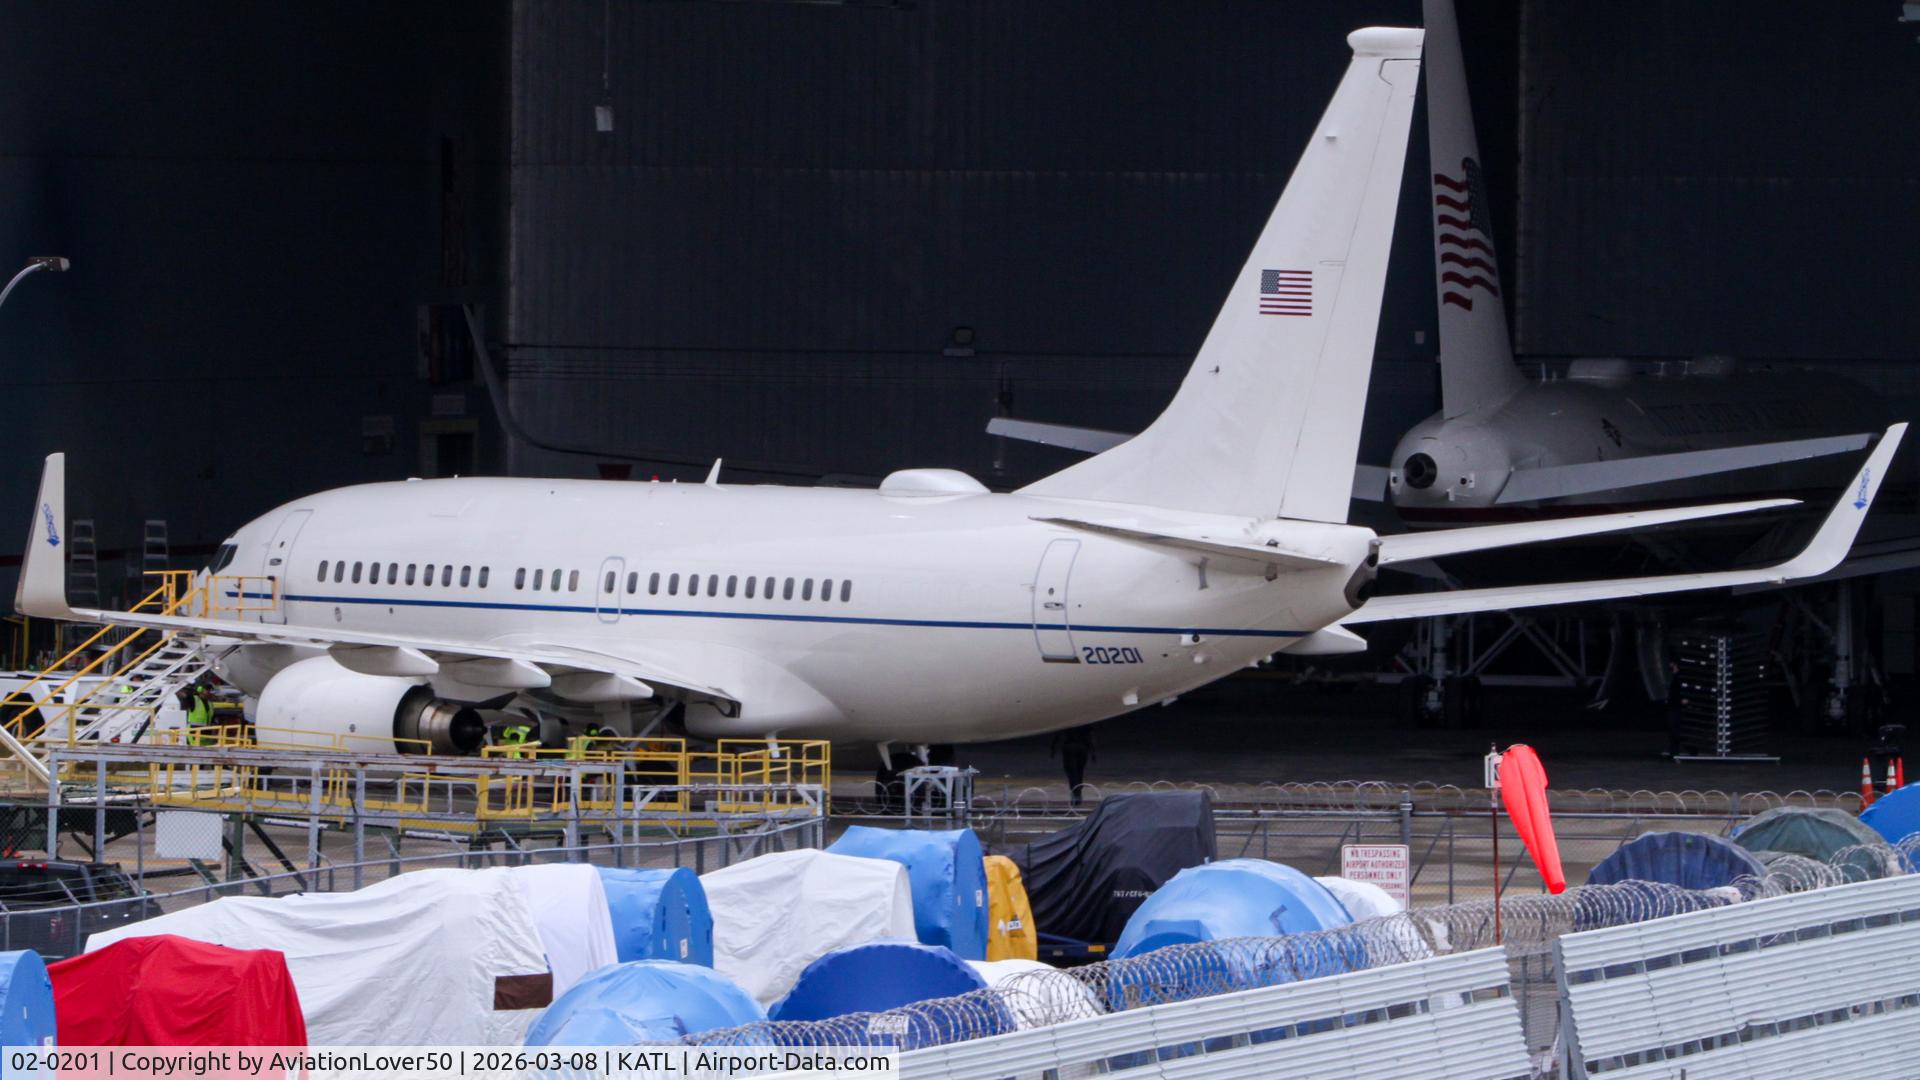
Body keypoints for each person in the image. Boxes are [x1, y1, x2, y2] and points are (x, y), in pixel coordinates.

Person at [1049, 724, 1096, 808]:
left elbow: (1059, 734)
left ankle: (1075, 793)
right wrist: (1093, 752)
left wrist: (1053, 749)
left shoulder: (1071, 720)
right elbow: (1090, 736)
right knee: (1079, 771)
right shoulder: (1086, 721)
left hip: (1070, 747)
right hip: (1082, 747)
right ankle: (1077, 793)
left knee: (1071, 772)